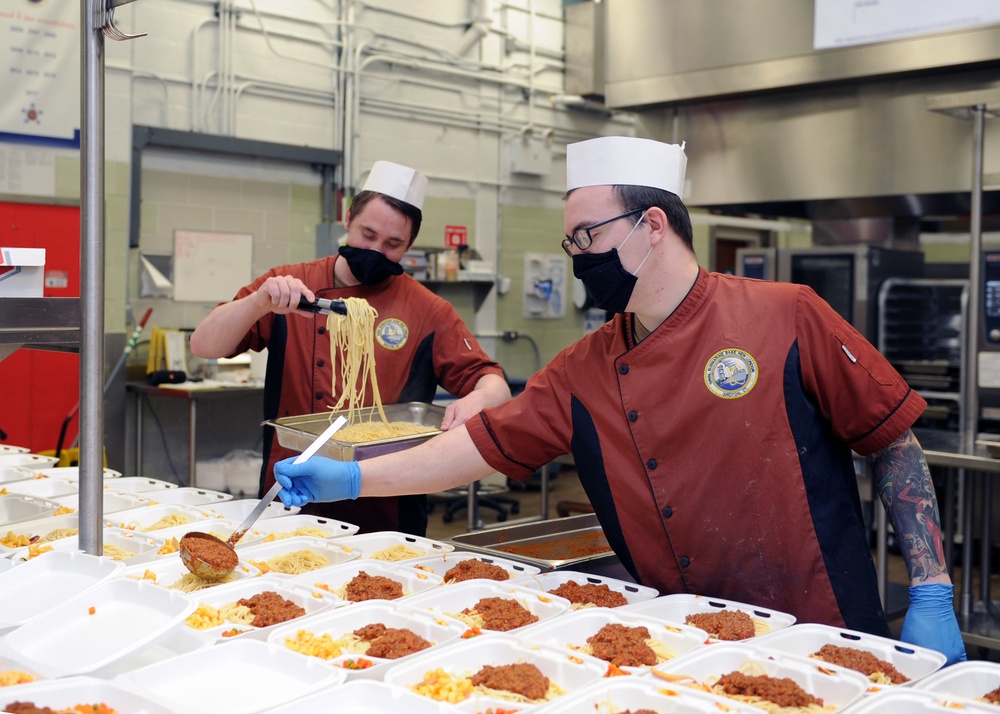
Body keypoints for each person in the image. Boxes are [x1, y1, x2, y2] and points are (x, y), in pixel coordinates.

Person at [272, 137, 966, 664]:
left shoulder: (788, 315)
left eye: (588, 237)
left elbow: (892, 440)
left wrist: (931, 587)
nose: (579, 257)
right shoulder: (587, 366)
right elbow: (481, 445)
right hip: (680, 639)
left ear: (654, 225)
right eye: (570, 242)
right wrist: (359, 477)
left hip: (822, 629)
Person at [189, 160, 511, 536]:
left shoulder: (427, 310)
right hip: (291, 499)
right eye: (367, 234)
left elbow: (493, 383)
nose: (376, 250)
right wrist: (257, 302)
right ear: (348, 219)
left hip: (386, 510)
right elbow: (203, 345)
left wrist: (479, 398)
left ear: (409, 246)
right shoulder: (290, 285)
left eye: (392, 244)